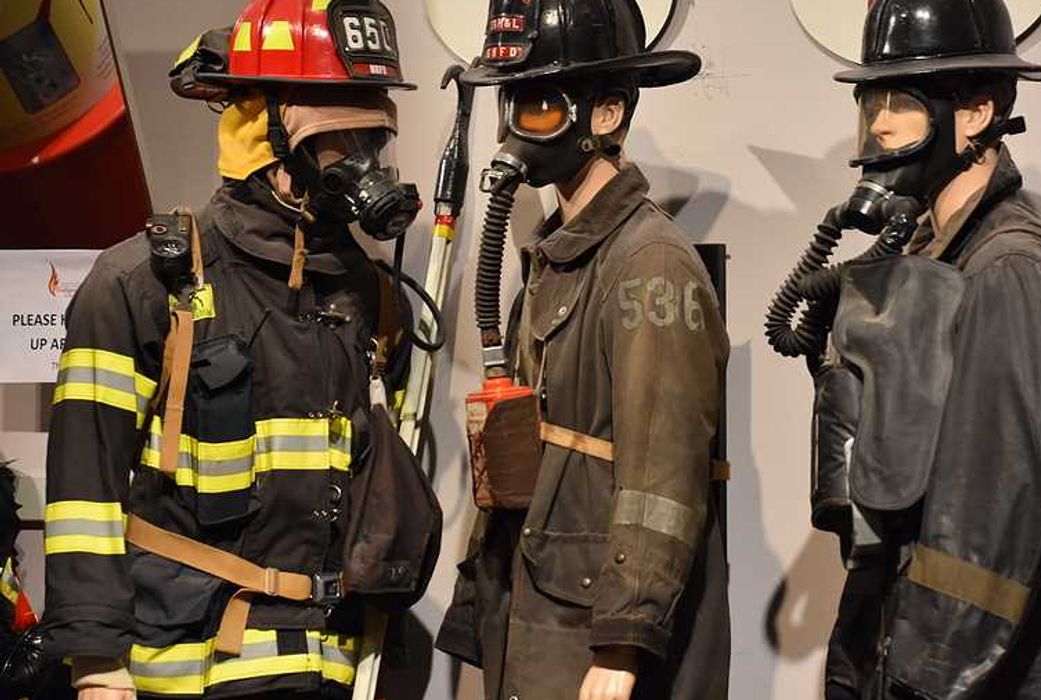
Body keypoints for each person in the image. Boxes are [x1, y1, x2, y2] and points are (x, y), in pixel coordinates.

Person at [766, 0, 1041, 698]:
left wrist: (924, 682)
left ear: (976, 113)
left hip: (978, 677)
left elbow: (995, 527)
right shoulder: (934, 260)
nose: (879, 124)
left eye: (902, 102)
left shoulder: (1010, 273)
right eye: (873, 101)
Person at [41, 1, 431, 697]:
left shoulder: (370, 298)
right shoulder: (144, 283)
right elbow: (84, 486)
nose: (362, 165)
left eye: (372, 138)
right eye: (337, 139)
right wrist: (96, 662)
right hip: (188, 664)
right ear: (263, 136)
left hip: (331, 665)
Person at [434, 2, 730, 699]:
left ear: (606, 113)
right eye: (511, 103)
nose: (515, 131)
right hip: (542, 601)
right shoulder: (560, 256)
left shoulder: (649, 265)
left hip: (592, 624)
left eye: (539, 107)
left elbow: (663, 470)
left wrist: (624, 639)